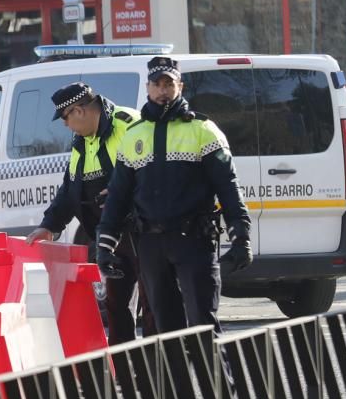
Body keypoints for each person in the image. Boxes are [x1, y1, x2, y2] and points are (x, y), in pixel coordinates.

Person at [95, 56, 253, 333]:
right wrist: (105, 245)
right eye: (157, 84)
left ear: (181, 86)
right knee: (166, 330)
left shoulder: (203, 130)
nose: (162, 90)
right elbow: (118, 195)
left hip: (193, 241)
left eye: (168, 83)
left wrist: (241, 236)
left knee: (203, 324)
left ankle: (216, 378)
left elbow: (228, 187)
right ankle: (175, 378)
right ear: (148, 88)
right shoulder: (133, 135)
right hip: (151, 245)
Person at [25, 82, 155, 343]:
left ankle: (156, 374)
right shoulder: (82, 141)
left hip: (145, 231)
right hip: (110, 237)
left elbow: (157, 172)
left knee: (153, 302)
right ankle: (124, 373)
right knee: (116, 306)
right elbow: (71, 187)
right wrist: (50, 224)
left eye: (65, 117)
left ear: (79, 111)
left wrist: (125, 196)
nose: (64, 125)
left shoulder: (129, 124)